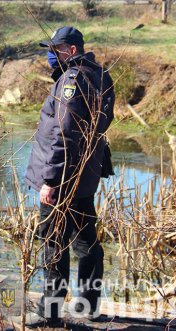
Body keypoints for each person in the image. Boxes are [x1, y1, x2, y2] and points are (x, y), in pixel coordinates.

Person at [25, 26, 115, 325]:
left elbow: (65, 134)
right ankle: (88, 309)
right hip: (84, 176)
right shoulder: (101, 76)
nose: (51, 54)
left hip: (63, 179)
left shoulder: (72, 80)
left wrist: (50, 179)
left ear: (72, 50)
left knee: (54, 244)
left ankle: (50, 313)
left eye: (56, 49)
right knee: (86, 243)